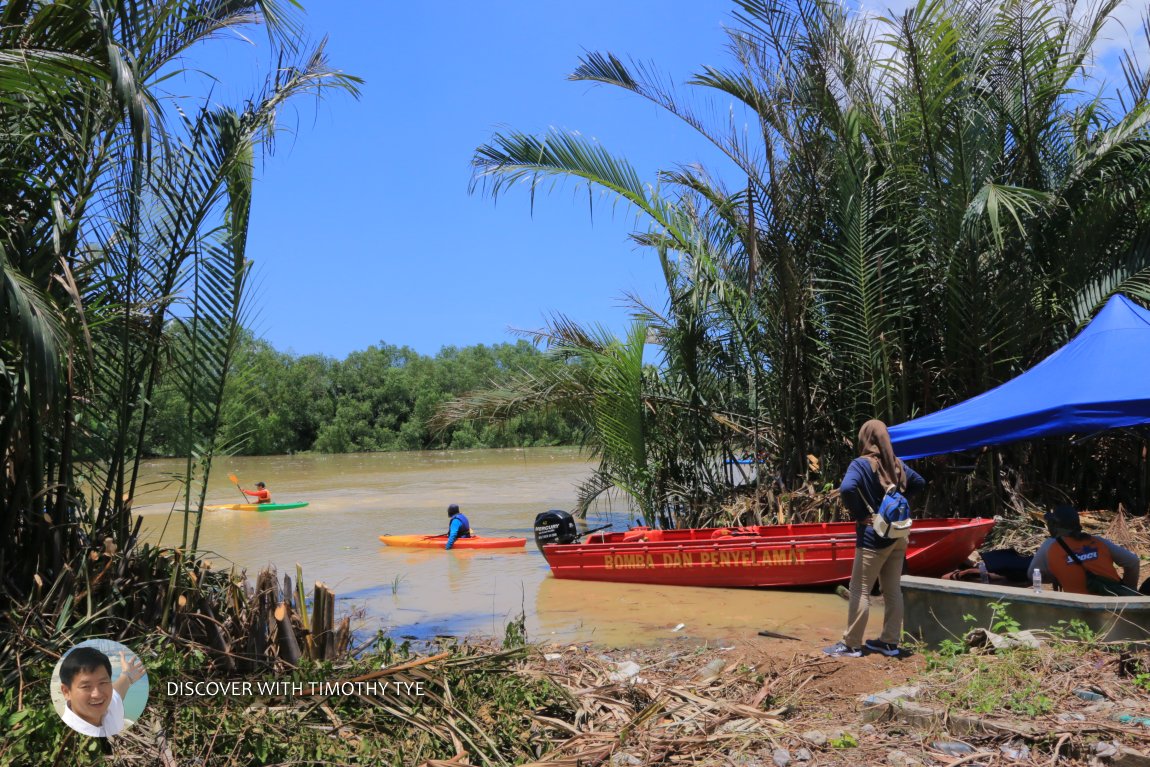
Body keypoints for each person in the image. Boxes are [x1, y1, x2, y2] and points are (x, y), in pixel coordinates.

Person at [824, 419, 926, 658]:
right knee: (892, 590)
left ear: (865, 439)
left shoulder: (860, 465)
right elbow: (919, 482)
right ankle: (889, 643)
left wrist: (861, 515)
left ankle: (852, 644)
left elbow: (848, 489)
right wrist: (897, 502)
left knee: (859, 589)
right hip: (898, 536)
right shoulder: (897, 465)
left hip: (873, 537)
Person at [1031, 505, 1140, 595]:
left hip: (1080, 606)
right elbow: (1133, 561)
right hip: (1115, 598)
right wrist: (1130, 589)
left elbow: (1032, 574)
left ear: (1053, 525)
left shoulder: (1049, 545)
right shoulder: (1098, 541)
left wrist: (1059, 575)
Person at [59, 646, 145, 737]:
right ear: (66, 692)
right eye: (86, 686)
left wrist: (128, 675)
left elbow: (117, 692)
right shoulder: (70, 734)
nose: (97, 694)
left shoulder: (109, 707)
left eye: (103, 682)